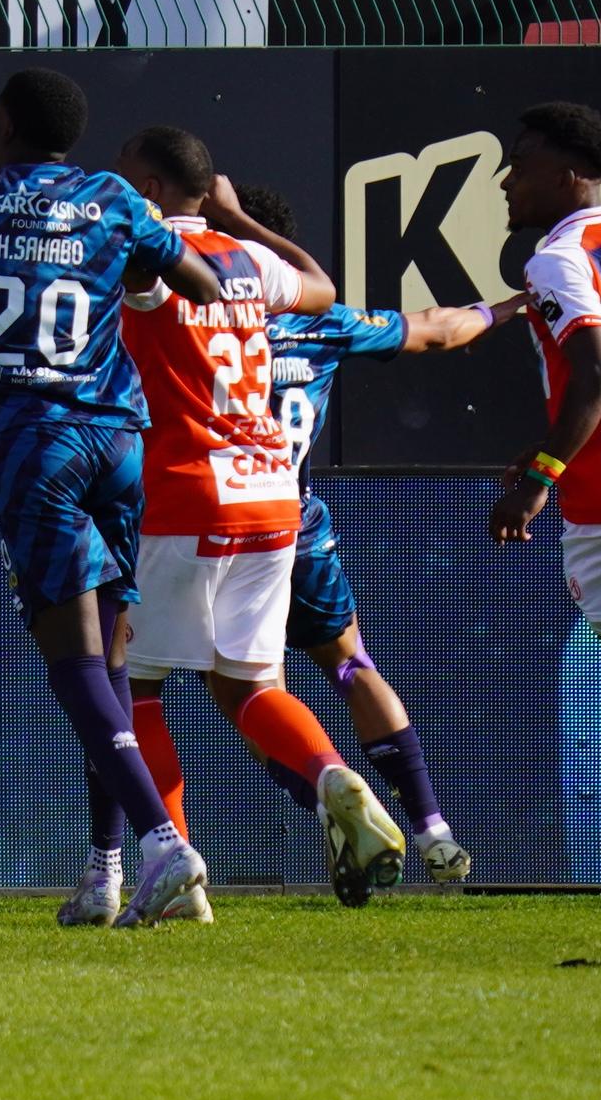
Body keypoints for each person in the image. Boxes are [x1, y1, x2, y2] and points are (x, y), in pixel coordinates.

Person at [0, 66, 229, 933]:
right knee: (108, 667)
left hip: (36, 441)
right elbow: (203, 284)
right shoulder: (110, 197)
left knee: (73, 667)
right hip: (119, 441)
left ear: (1, 125)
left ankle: (162, 845)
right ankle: (106, 873)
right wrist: (128, 279)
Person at [109, 125, 409, 911]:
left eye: (126, 179)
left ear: (150, 186)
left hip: (182, 497)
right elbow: (321, 290)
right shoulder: (248, 261)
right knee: (247, 686)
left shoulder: (144, 257)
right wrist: (241, 221)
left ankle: (173, 871)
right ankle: (332, 775)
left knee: (134, 688)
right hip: (271, 496)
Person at [240, 179, 494, 888]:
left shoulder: (198, 321)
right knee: (352, 665)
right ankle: (433, 830)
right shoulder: (324, 324)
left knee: (253, 691)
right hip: (300, 521)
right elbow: (437, 329)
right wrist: (506, 307)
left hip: (226, 527)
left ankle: (335, 803)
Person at [491, 101, 601, 705]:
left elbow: (598, 375)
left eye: (519, 165)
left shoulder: (557, 260)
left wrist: (542, 476)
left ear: (567, 176)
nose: (506, 181)